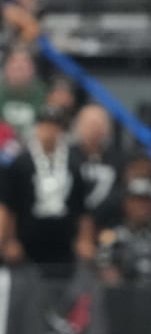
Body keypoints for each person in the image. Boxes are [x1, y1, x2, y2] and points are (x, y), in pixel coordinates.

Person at [0, 110, 94, 269]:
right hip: (27, 244)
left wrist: (85, 240)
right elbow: (9, 206)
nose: (49, 132)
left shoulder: (74, 163)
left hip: (65, 243)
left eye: (54, 127)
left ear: (62, 131)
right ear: (37, 128)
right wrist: (9, 240)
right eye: (45, 126)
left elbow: (83, 208)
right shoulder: (21, 163)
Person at [72, 105, 121, 229]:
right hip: (72, 225)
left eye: (100, 124)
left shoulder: (119, 159)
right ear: (78, 127)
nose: (95, 130)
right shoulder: (67, 158)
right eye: (90, 125)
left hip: (109, 224)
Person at [0, 47, 46, 139]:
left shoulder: (44, 93)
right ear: (6, 67)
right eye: (14, 62)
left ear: (32, 69)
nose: (19, 66)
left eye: (25, 62)